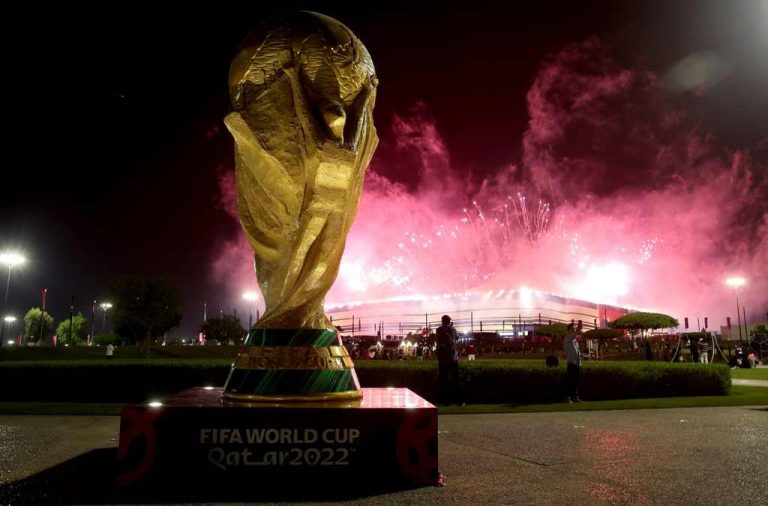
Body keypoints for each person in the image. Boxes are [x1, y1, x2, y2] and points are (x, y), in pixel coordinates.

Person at [436, 315, 463, 405]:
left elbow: (439, 341)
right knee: (456, 379)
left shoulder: (439, 330)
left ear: (442, 321)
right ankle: (458, 401)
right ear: (448, 321)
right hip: (453, 357)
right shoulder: (453, 329)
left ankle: (445, 401)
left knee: (444, 380)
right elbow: (457, 338)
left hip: (443, 358)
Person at [562, 322, 582, 403]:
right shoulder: (567, 339)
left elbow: (576, 352)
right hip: (571, 363)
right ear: (569, 330)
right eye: (572, 329)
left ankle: (575, 397)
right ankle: (567, 397)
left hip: (577, 364)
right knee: (570, 381)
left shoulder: (575, 342)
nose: (574, 330)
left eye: (574, 329)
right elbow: (574, 335)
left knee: (575, 382)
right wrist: (578, 329)